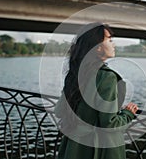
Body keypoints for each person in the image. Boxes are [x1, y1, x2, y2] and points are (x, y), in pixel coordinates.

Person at [55, 22, 139, 159]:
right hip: (99, 149)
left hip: (73, 147)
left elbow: (59, 111)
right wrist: (128, 113)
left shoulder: (75, 74)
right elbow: (110, 123)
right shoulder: (107, 77)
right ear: (97, 48)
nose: (114, 44)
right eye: (110, 39)